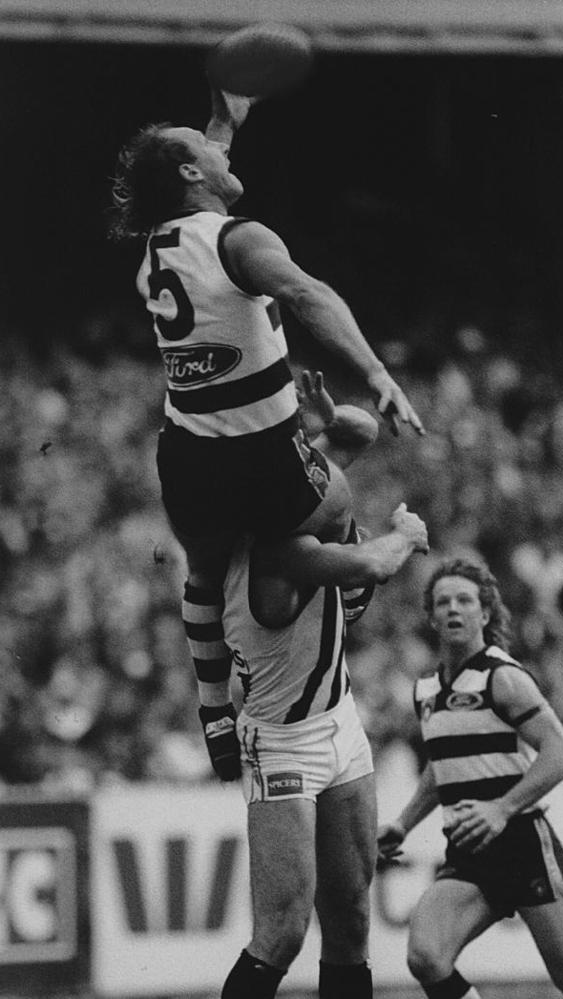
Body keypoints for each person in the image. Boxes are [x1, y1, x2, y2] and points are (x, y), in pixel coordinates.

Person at [109, 83, 424, 773]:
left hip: (187, 452)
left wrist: (223, 120)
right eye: (205, 149)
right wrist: (374, 369)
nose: (217, 150)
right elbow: (309, 295)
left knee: (203, 568)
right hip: (259, 449)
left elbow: (197, 164)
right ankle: (352, 579)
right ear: (194, 173)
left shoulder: (155, 247)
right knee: (334, 500)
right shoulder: (240, 239)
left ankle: (215, 710)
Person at [214, 379, 429, 999]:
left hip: (339, 721)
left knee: (351, 922)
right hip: (283, 742)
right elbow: (375, 564)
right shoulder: (280, 551)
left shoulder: (292, 502)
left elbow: (359, 432)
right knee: (281, 933)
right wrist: (408, 535)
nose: (330, 482)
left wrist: (328, 417)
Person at [377, 557, 563, 999]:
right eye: (443, 602)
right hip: (470, 848)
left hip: (521, 843)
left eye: (464, 600)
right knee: (426, 955)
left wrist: (502, 808)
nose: (453, 609)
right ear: (432, 617)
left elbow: (562, 754)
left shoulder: (503, 678)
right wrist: (403, 823)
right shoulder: (426, 690)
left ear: (485, 612)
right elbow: (442, 767)